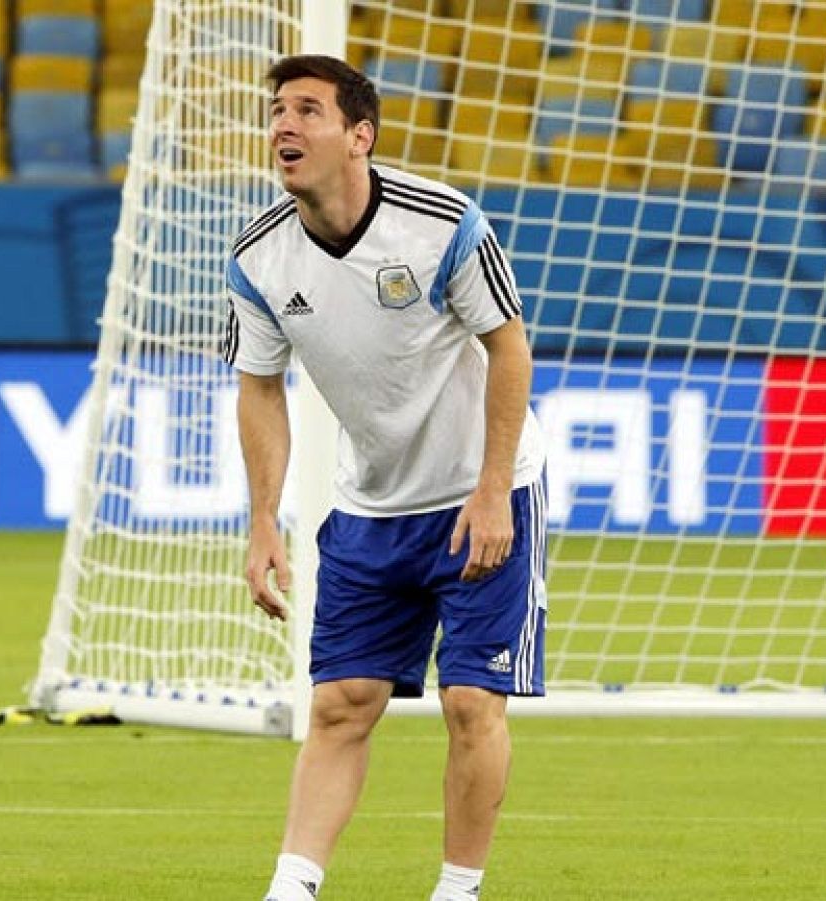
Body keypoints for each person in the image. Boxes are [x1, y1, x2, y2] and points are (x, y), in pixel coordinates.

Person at [222, 56, 548, 901]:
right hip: (370, 505)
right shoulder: (260, 256)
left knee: (471, 702)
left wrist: (491, 488)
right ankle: (292, 887)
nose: (283, 126)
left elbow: (508, 348)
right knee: (341, 703)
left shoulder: (443, 225)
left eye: (307, 111)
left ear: (359, 135)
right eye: (276, 112)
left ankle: (457, 889)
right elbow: (260, 387)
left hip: (484, 492)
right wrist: (264, 521)